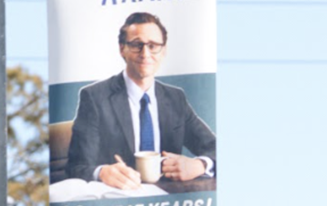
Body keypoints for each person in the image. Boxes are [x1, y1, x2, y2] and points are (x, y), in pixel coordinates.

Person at [65, 11, 217, 190]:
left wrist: (199, 165)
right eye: (137, 45)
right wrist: (101, 172)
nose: (145, 54)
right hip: (117, 205)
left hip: (171, 205)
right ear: (122, 49)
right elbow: (75, 167)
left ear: (163, 51)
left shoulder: (176, 99)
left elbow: (215, 148)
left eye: (153, 46)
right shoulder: (94, 97)